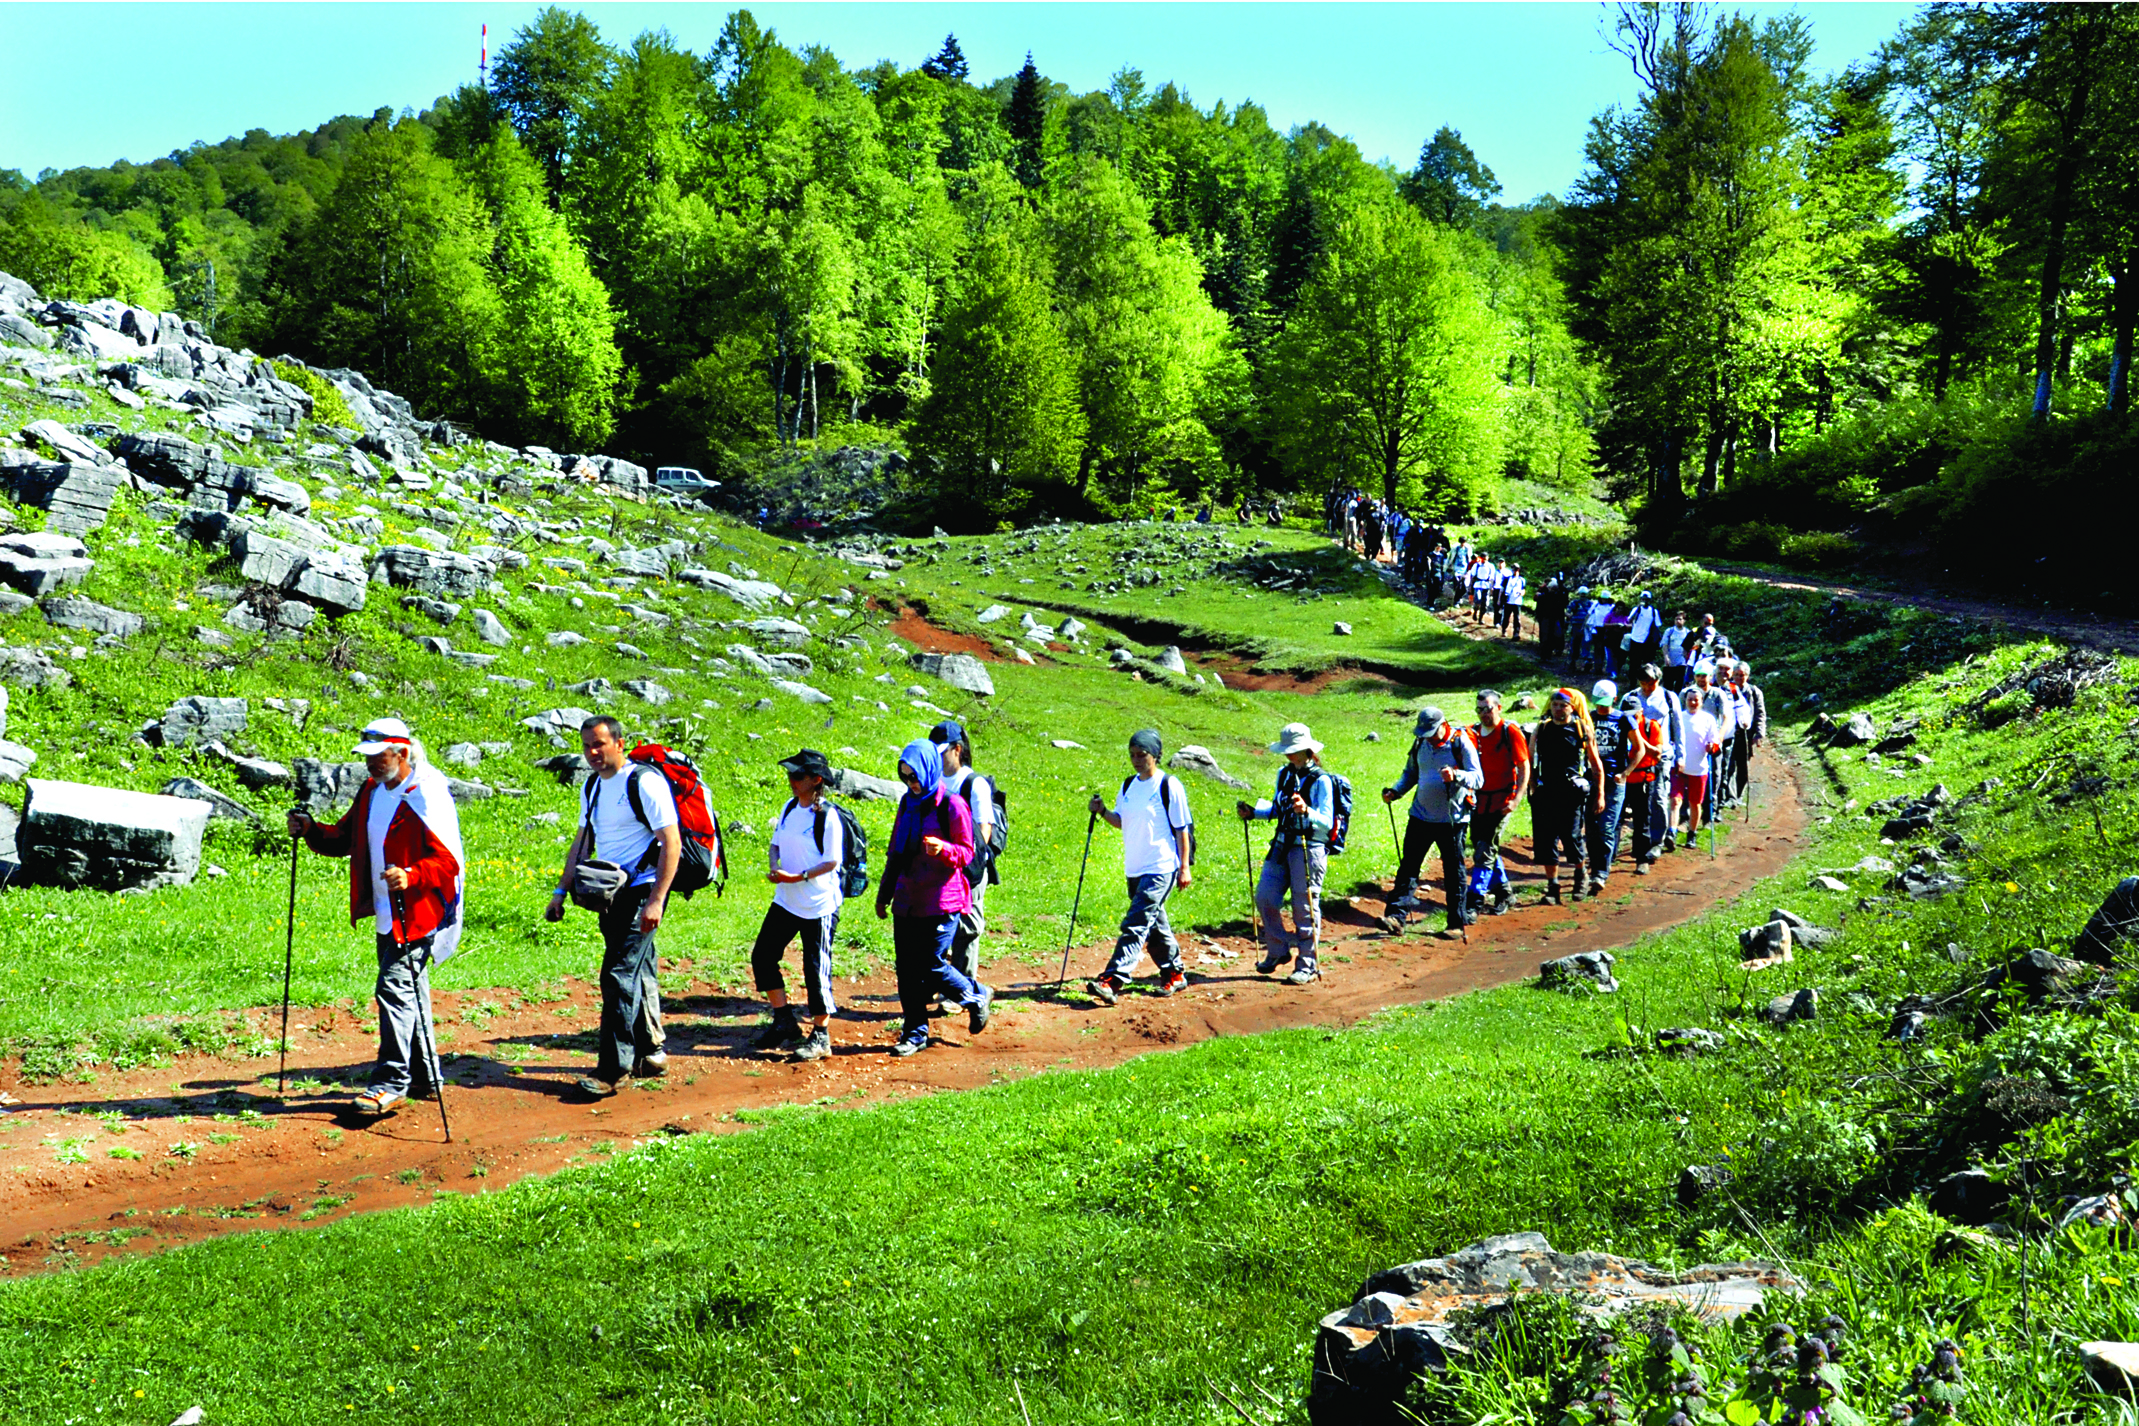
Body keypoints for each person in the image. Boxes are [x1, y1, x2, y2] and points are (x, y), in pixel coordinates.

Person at [288, 718, 465, 1118]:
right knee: (410, 989)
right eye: (365, 756)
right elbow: (345, 839)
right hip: (387, 912)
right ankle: (425, 1075)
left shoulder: (426, 795)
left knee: (393, 988)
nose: (368, 764)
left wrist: (412, 874)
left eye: (377, 756)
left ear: (401, 754)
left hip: (419, 912)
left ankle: (389, 1085)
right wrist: (312, 830)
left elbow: (448, 863)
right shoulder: (372, 791)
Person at [546, 715, 681, 1098]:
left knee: (617, 975)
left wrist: (656, 900)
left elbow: (671, 842)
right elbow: (582, 840)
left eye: (600, 744)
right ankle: (651, 1053)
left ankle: (613, 1069)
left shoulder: (644, 783)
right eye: (587, 745)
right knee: (638, 971)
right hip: (609, 893)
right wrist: (560, 891)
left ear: (620, 743)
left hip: (642, 890)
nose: (592, 752)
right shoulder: (591, 785)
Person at [877, 739, 992, 1056]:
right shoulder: (906, 803)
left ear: (929, 770)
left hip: (942, 901)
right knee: (906, 969)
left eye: (914, 776)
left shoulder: (952, 805)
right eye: (905, 777)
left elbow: (968, 852)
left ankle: (976, 995)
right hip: (907, 899)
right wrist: (884, 893)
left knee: (930, 965)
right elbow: (895, 852)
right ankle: (914, 1033)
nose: (911, 783)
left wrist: (944, 850)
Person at [1085, 730, 1194, 1005]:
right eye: (1132, 755)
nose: (1136, 760)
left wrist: (1184, 868)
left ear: (1155, 755)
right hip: (1134, 868)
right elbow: (1121, 821)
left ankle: (1114, 979)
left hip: (1161, 867)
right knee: (1154, 925)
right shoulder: (1128, 785)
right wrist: (1102, 811)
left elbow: (1182, 830)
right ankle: (1175, 973)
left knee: (1136, 923)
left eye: (1142, 755)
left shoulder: (1169, 785)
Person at [749, 749, 843, 1062]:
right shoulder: (789, 807)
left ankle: (821, 1036)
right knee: (763, 956)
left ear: (816, 780)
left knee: (815, 970)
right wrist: (776, 867)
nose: (791, 780)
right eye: (790, 774)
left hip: (818, 906)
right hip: (786, 901)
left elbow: (832, 861)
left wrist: (798, 876)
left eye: (797, 776)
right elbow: (776, 843)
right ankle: (784, 1020)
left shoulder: (827, 816)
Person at [1240, 722, 1335, 984]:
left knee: (1304, 908)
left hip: (1309, 848)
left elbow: (1327, 821)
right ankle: (1278, 950)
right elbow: (1277, 809)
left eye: (1294, 750)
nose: (1289, 755)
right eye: (1287, 751)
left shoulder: (1322, 781)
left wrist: (1307, 811)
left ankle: (1307, 964)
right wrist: (1254, 813)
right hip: (1282, 844)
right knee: (1265, 897)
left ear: (1307, 750)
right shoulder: (1284, 774)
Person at [1378, 706, 1482, 937]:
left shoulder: (1460, 743)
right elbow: (1411, 773)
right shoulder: (1420, 744)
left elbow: (1478, 778)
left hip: (1452, 820)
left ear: (1443, 725)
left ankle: (1455, 923)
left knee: (1453, 871)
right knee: (1408, 868)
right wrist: (1396, 792)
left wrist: (1457, 775)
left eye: (1432, 732)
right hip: (1420, 816)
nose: (1428, 737)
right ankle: (1396, 917)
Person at [930, 721, 996, 988]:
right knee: (939, 925)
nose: (937, 758)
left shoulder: (974, 783)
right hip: (940, 866)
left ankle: (964, 987)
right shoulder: (932, 780)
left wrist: (966, 864)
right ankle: (941, 983)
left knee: (967, 927)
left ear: (957, 749)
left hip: (969, 868)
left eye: (942, 752)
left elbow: (984, 829)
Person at [1529, 689, 1605, 903]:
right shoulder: (1541, 729)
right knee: (1546, 841)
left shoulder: (1581, 730)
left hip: (1571, 794)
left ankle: (1581, 875)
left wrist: (1600, 794)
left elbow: (1595, 763)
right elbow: (1529, 759)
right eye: (1555, 704)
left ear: (1572, 707)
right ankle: (1553, 887)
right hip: (1546, 793)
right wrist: (1533, 785)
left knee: (1571, 838)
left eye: (1563, 705)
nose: (1558, 708)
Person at [1585, 681, 1656, 895]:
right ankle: (1595, 864)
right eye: (1599, 704)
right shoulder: (1589, 718)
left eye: (1606, 704)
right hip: (1591, 780)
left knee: (1607, 827)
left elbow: (1640, 748)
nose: (1602, 708)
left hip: (1614, 782)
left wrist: (1625, 773)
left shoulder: (1623, 719)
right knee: (1590, 829)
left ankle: (1600, 873)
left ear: (1615, 700)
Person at [1465, 691, 1529, 917]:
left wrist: (1516, 799)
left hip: (1502, 801)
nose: (1484, 714)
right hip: (1478, 801)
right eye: (1480, 709)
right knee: (1484, 845)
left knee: (1484, 850)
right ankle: (1504, 893)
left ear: (1499, 708)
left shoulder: (1509, 731)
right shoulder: (1472, 733)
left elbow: (1523, 766)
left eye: (1488, 709)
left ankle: (1474, 900)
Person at [1617, 693, 1668, 876]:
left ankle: (1642, 858)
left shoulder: (1651, 726)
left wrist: (1638, 739)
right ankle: (1607, 858)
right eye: (1626, 714)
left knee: (1642, 820)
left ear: (1641, 711)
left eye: (1634, 714)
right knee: (1616, 820)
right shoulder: (1617, 724)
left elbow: (1657, 753)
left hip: (1643, 779)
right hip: (1621, 779)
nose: (1630, 718)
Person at [1670, 686, 1725, 851]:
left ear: (1701, 702)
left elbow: (1715, 743)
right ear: (1685, 701)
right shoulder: (1678, 717)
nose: (1693, 703)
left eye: (1696, 700)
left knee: (1695, 803)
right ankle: (1671, 832)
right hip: (1679, 765)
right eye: (1689, 700)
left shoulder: (1708, 719)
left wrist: (1711, 746)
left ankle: (1691, 834)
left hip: (1699, 769)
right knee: (1675, 800)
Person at [1730, 661, 1769, 802]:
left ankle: (1738, 795)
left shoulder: (1754, 692)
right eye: (1736, 675)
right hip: (1729, 734)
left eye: (1742, 675)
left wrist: (1759, 734)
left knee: (1743, 767)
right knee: (1728, 767)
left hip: (1746, 736)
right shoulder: (1728, 690)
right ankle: (1729, 796)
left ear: (1747, 676)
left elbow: (1760, 714)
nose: (1739, 678)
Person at [1535, 576, 1568, 656]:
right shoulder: (1554, 597)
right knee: (1548, 635)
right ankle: (1546, 653)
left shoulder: (1545, 596)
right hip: (1549, 618)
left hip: (1549, 618)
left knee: (1548, 635)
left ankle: (1547, 653)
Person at [1661, 611, 1691, 691]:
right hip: (1670, 663)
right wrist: (1666, 657)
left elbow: (1690, 648)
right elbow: (1664, 645)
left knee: (1680, 686)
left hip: (1682, 663)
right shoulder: (1669, 631)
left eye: (1680, 619)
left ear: (1684, 621)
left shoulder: (1688, 633)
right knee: (1667, 686)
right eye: (1676, 619)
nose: (1678, 621)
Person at [1499, 563, 1526, 640]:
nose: (1515, 571)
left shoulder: (1522, 580)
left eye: (1516, 569)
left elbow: (1523, 589)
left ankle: (1516, 633)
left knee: (1517, 618)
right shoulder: (1507, 579)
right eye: (1513, 569)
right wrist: (1501, 600)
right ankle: (1504, 629)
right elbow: (1502, 589)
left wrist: (1522, 593)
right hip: (1508, 601)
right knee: (1506, 617)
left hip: (1517, 601)